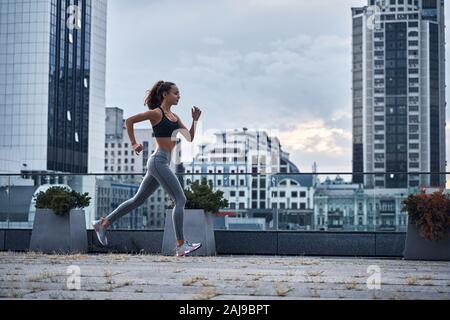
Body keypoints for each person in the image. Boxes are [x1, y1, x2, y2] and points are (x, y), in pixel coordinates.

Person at [93, 80, 202, 257]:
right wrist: (134, 143)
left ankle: (103, 223)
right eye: (175, 93)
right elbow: (129, 121)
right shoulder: (156, 114)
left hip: (161, 163)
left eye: (179, 93)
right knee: (180, 200)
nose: (178, 96)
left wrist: (195, 120)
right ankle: (181, 245)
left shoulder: (175, 117)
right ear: (164, 94)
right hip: (158, 161)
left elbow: (189, 137)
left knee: (137, 200)